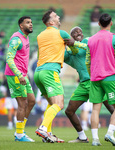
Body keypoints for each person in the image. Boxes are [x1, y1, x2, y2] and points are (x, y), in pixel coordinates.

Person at [64, 27, 115, 145]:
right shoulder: (69, 55)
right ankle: (82, 137)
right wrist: (63, 44)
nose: (79, 33)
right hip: (83, 84)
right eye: (75, 32)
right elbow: (60, 55)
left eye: (80, 32)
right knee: (69, 111)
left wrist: (75, 43)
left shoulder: (87, 41)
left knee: (112, 109)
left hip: (96, 81)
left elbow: (85, 46)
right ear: (70, 36)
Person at [34, 10, 78, 143]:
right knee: (59, 104)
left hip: (38, 73)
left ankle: (48, 134)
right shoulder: (61, 33)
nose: (58, 17)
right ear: (51, 22)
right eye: (55, 16)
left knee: (51, 103)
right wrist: (73, 45)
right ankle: (42, 128)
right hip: (50, 72)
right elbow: (74, 49)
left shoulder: (40, 35)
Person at [86, 13, 115, 147]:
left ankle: (95, 139)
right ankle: (110, 133)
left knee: (95, 109)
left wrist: (92, 74)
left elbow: (87, 61)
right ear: (111, 23)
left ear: (98, 24)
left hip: (95, 78)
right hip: (110, 77)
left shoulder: (90, 39)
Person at [4, 16, 36, 142]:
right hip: (15, 75)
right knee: (22, 103)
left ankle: (20, 129)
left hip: (23, 74)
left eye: (31, 22)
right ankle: (19, 134)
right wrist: (19, 74)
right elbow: (9, 59)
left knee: (32, 101)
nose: (31, 24)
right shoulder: (16, 39)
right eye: (28, 23)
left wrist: (25, 73)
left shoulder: (26, 37)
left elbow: (21, 58)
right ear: (21, 26)